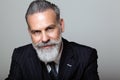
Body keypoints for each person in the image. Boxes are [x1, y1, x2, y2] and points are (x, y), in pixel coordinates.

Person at [5, 0, 99, 80]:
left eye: (49, 28)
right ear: (30, 33)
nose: (45, 39)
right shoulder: (20, 56)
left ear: (61, 25)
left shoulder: (86, 56)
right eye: (37, 32)